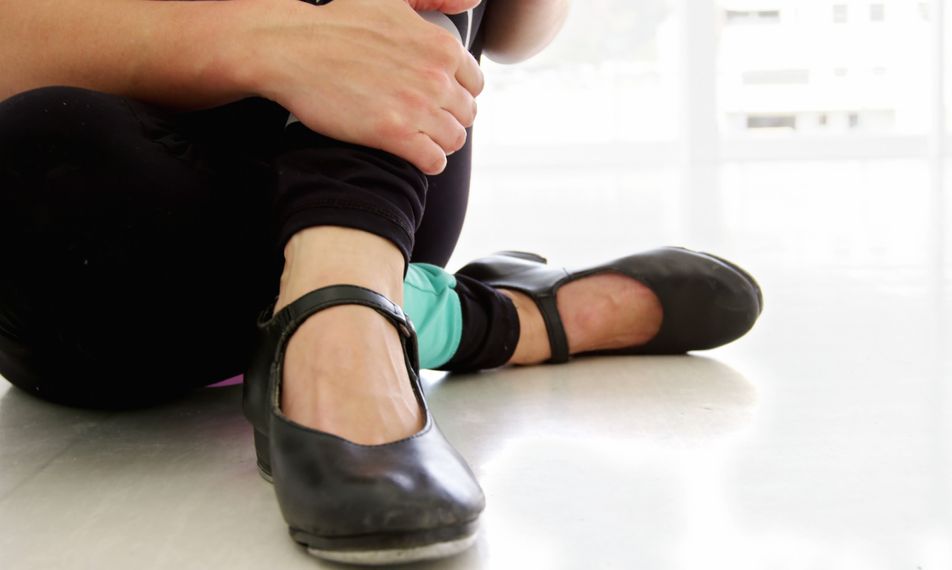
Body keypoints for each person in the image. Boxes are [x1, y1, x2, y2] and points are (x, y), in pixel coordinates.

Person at [0, 0, 762, 564]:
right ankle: (481, 318)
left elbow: (519, 32)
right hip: (107, 234)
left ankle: (346, 315)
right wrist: (266, 42)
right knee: (30, 158)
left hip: (378, 182)